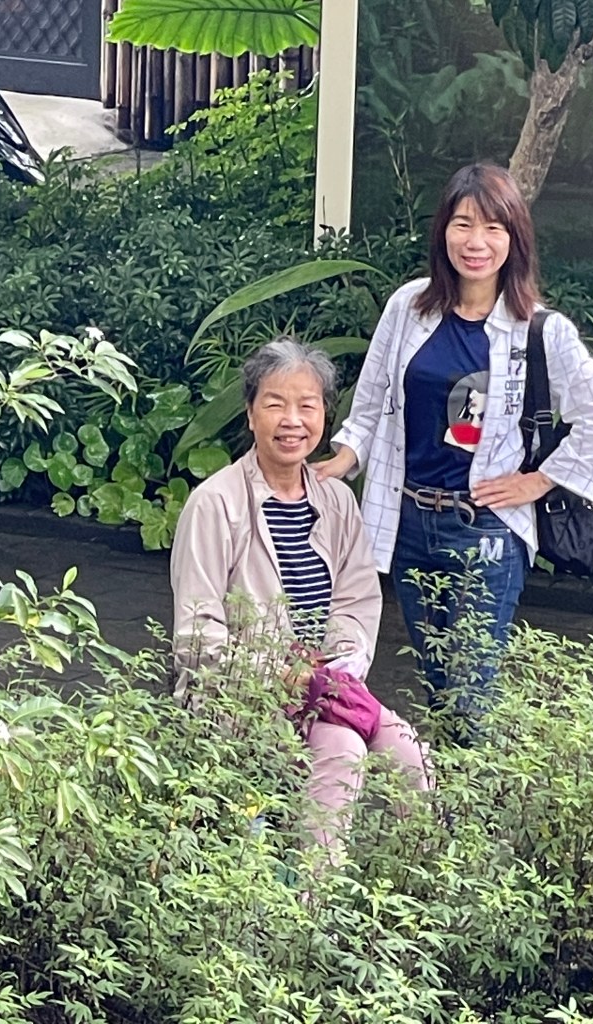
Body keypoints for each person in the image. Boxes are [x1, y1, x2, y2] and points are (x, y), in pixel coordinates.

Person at [317, 162, 593, 706]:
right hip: (409, 522)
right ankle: (444, 764)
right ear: (443, 230)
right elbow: (371, 403)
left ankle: (472, 762)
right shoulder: (409, 307)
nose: (476, 242)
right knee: (437, 684)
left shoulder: (539, 330)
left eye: (493, 227)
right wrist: (341, 460)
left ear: (514, 238)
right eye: (462, 224)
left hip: (485, 530)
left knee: (470, 693)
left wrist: (538, 481)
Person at [171, 336, 432, 854]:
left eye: (307, 406)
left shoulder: (336, 500)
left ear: (324, 417)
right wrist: (281, 677)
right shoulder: (215, 503)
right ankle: (314, 894)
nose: (292, 420)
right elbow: (196, 635)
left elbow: (357, 603)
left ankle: (419, 882)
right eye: (275, 404)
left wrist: (339, 666)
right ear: (250, 414)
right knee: (342, 747)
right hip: (241, 694)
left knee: (410, 754)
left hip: (327, 686)